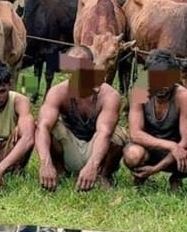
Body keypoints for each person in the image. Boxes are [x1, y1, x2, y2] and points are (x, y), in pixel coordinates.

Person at [34, 45, 127, 191]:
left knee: (117, 135)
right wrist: (45, 163)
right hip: (69, 146)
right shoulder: (58, 92)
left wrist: (92, 166)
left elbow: (104, 133)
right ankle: (58, 170)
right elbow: (43, 126)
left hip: (96, 149)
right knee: (46, 127)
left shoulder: (109, 95)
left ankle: (103, 175)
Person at [122, 50, 187, 191]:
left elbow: (186, 141)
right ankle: (140, 175)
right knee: (133, 155)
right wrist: (170, 146)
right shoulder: (140, 88)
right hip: (151, 147)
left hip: (177, 153)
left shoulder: (184, 97)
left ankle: (177, 176)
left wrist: (156, 169)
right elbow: (135, 133)